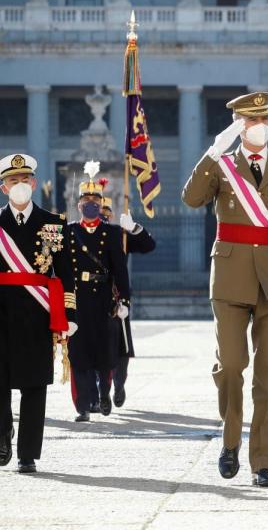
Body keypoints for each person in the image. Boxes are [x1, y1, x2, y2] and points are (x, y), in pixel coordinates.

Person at [182, 91, 268, 488]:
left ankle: (262, 462)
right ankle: (229, 441)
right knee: (231, 366)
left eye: (263, 119)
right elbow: (191, 199)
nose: (258, 125)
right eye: (249, 121)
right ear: (238, 126)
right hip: (230, 279)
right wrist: (213, 152)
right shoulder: (222, 165)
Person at [0, 154, 77, 473]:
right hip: (1, 312)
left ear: (33, 184)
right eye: (12, 181)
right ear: (4, 188)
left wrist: (69, 314)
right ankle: (3, 434)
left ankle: (27, 454)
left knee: (34, 385)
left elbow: (65, 273)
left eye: (24, 180)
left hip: (37, 314)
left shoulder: (53, 223)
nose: (19, 186)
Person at [67, 167, 130, 423]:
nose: (90, 205)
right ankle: (83, 406)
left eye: (95, 201)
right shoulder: (69, 231)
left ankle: (104, 393)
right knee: (79, 352)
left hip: (103, 297)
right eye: (86, 201)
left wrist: (123, 300)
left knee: (104, 352)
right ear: (79, 204)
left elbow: (120, 270)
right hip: (78, 298)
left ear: (102, 203)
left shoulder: (112, 233)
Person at [97, 198, 156, 408]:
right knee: (97, 347)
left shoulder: (119, 235)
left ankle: (119, 384)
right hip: (93, 297)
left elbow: (149, 245)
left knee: (122, 348)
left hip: (117, 296)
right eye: (99, 210)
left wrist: (133, 229)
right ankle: (102, 391)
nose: (102, 215)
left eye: (106, 211)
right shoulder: (83, 234)